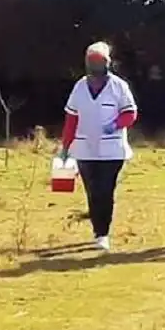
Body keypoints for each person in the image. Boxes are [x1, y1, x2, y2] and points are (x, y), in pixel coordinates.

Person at [59, 42, 138, 251]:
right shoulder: (79, 87)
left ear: (107, 63)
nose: (94, 65)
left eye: (99, 61)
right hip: (85, 149)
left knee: (105, 190)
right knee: (93, 192)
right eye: (91, 61)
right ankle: (97, 230)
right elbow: (71, 119)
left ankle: (103, 233)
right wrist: (65, 147)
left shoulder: (118, 86)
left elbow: (130, 114)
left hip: (112, 151)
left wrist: (115, 125)